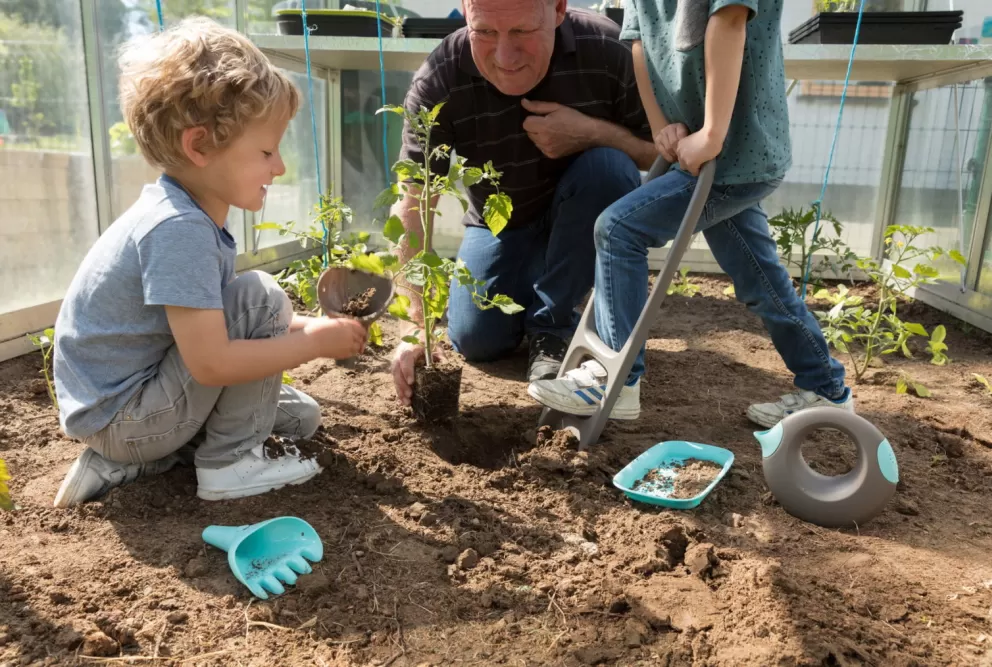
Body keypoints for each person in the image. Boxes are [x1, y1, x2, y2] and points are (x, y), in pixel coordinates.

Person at [51, 18, 368, 508]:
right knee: (260, 293)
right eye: (266, 150)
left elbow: (218, 324)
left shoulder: (187, 214)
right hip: (125, 416)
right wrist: (312, 346)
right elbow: (213, 359)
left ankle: (140, 460)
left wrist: (315, 328)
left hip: (135, 404)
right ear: (199, 146)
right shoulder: (178, 230)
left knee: (300, 417)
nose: (280, 167)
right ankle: (230, 464)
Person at [527, 0, 854, 428]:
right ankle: (826, 388)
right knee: (760, 279)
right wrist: (661, 122)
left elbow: (729, 18)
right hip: (705, 156)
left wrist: (713, 133)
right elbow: (638, 41)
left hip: (738, 152)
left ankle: (616, 382)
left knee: (619, 229)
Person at [388, 0, 659, 407]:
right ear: (465, 12)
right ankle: (552, 287)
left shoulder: (608, 48)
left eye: (521, 32)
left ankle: (553, 327)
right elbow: (413, 203)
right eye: (485, 32)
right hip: (502, 222)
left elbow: (659, 155)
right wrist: (414, 329)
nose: (504, 56)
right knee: (475, 339)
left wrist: (592, 133)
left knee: (609, 168)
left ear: (558, 10)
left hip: (585, 212)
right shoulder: (443, 74)